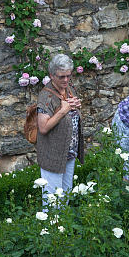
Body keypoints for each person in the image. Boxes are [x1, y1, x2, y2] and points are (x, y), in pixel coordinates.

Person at [36, 53, 83, 207]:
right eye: (62, 77)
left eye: (68, 76)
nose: (66, 80)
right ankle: (50, 229)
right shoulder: (46, 97)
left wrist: (75, 106)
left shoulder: (69, 89)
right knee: (53, 200)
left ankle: (62, 228)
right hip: (53, 155)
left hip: (68, 154)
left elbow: (71, 114)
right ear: (52, 75)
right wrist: (63, 111)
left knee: (65, 196)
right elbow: (43, 128)